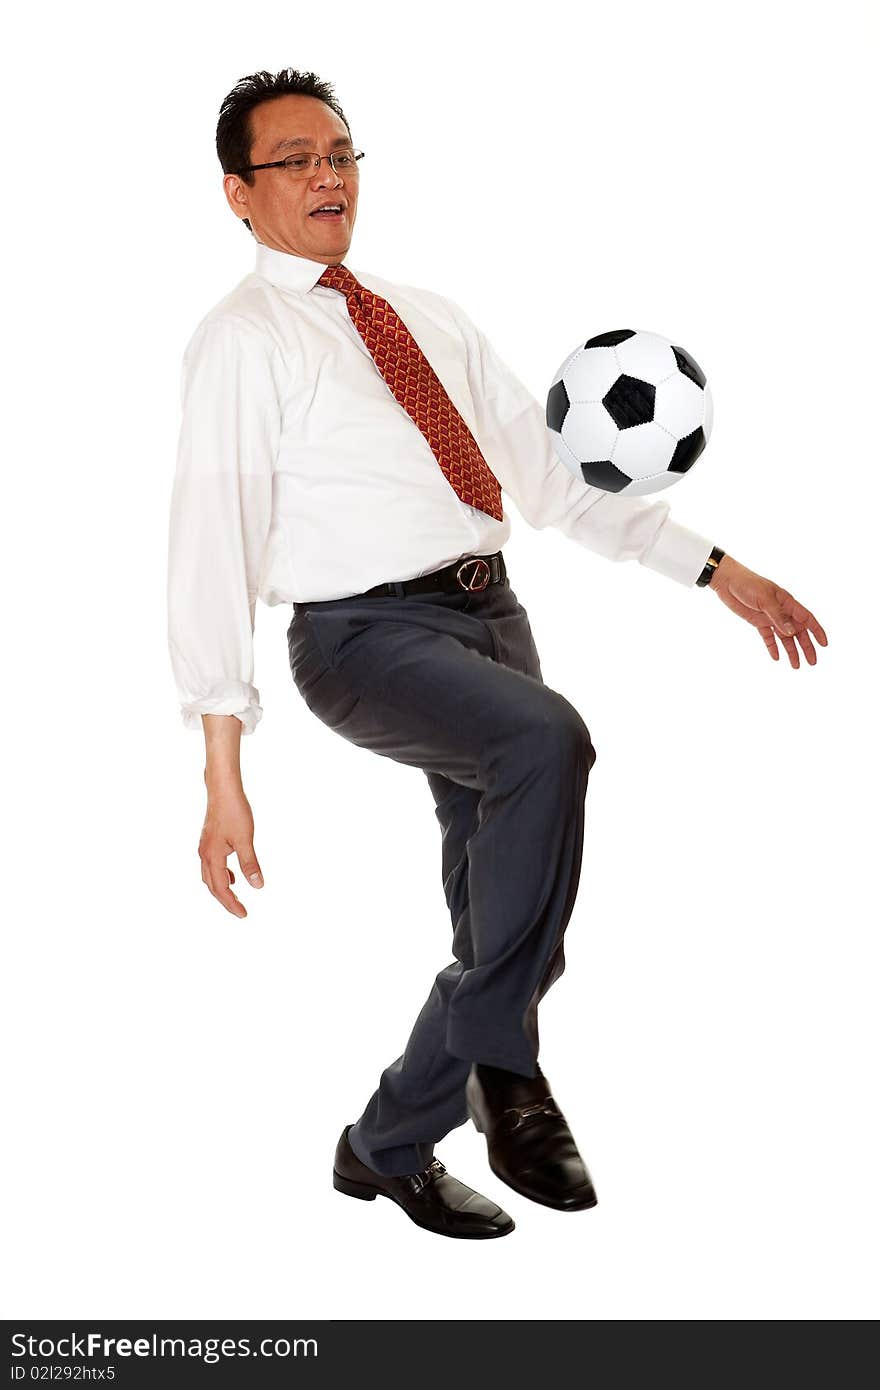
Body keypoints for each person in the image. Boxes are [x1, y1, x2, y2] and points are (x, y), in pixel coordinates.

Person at [166, 68, 828, 1241]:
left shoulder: (429, 314)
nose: (328, 176)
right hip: (362, 637)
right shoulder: (241, 339)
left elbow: (552, 482)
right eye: (296, 161)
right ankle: (506, 1079)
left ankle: (385, 1142)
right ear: (239, 192)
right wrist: (221, 759)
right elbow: (209, 540)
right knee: (546, 740)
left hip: (490, 614)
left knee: (500, 922)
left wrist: (719, 571)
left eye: (341, 154)